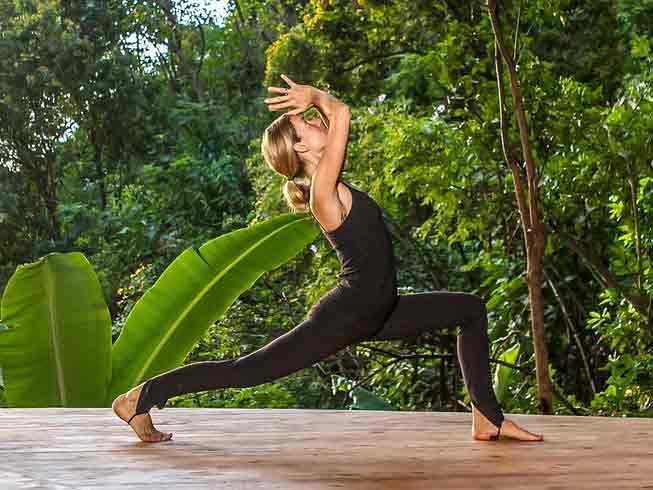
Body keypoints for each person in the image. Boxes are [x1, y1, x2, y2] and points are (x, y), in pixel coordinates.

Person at [112, 74, 543, 444]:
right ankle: (139, 398)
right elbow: (343, 114)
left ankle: (487, 419)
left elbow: (338, 118)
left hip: (379, 309)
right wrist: (315, 95)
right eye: (305, 124)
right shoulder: (321, 190)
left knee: (469, 309)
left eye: (309, 118)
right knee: (247, 370)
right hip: (348, 314)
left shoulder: (329, 179)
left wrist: (317, 102)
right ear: (300, 149)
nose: (315, 121)